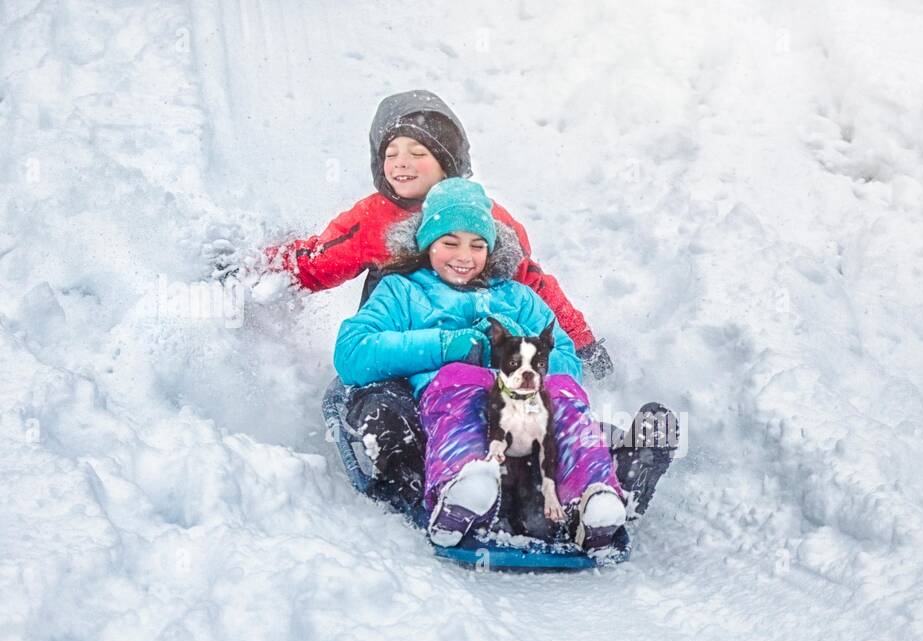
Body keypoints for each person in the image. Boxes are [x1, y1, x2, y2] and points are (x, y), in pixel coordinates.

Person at [208, 89, 614, 378]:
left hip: (480, 343)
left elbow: (532, 283)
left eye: (418, 154)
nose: (401, 164)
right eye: (391, 154)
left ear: (447, 161)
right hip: (407, 336)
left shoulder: (483, 216)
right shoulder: (373, 218)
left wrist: (579, 342)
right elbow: (319, 260)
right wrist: (254, 270)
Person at [333, 178, 640, 550]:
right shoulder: (404, 291)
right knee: (458, 379)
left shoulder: (518, 297)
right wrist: (445, 346)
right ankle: (463, 490)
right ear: (427, 243)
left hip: (526, 412)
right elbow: (352, 353)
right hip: (451, 404)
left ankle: (593, 499)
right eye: (449, 243)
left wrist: (523, 355)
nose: (464, 256)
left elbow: (564, 358)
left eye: (477, 245)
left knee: (564, 393)